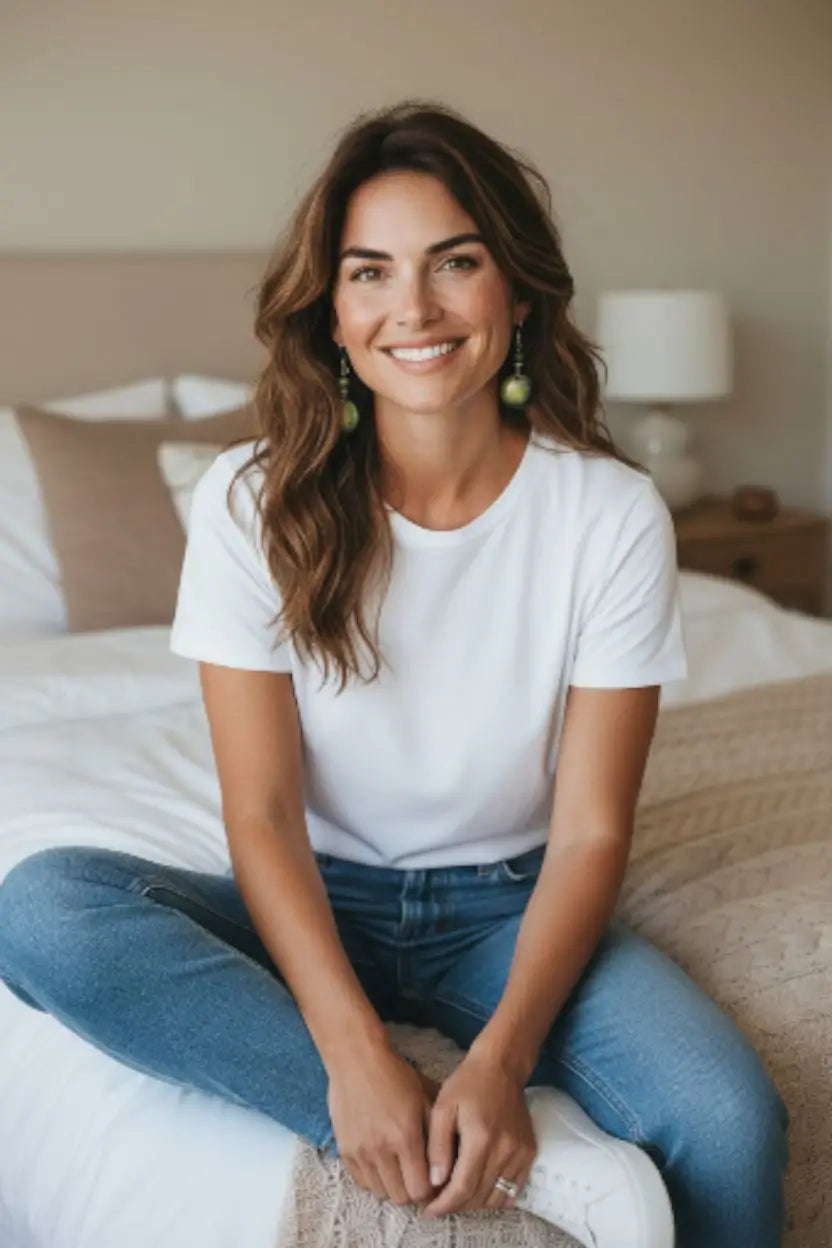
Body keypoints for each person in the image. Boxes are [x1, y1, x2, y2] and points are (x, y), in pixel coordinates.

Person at [0, 101, 788, 1248]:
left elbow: (589, 836)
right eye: (369, 272)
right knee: (44, 909)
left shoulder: (606, 512)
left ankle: (474, 1108)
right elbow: (261, 815)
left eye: (453, 264)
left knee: (726, 1117)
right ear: (331, 309)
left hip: (509, 908)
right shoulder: (247, 500)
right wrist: (355, 1059)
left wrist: (506, 1056)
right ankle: (539, 1169)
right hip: (315, 904)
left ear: (514, 291)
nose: (410, 309)